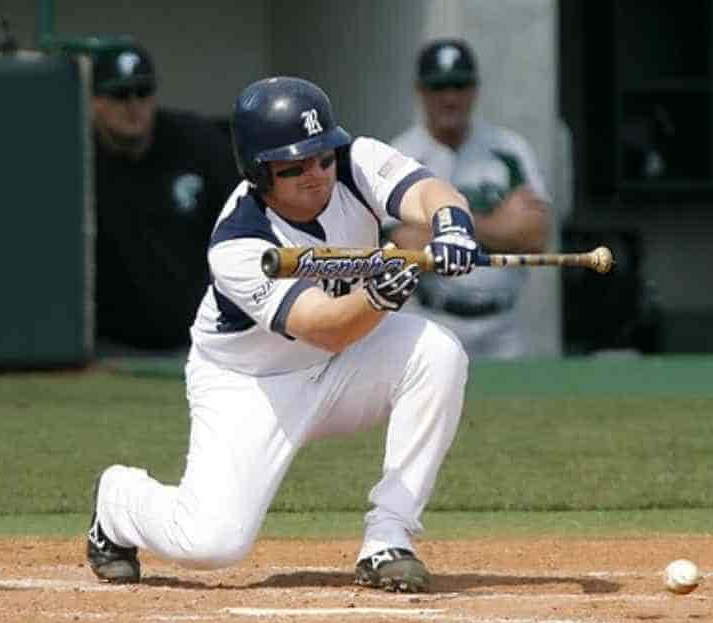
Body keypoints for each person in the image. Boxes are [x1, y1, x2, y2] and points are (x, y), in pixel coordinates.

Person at [85, 76, 479, 593]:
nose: (316, 175)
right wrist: (381, 294)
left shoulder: (355, 161)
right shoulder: (238, 243)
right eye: (293, 166)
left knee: (438, 352)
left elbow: (430, 192)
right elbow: (324, 328)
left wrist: (452, 227)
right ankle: (118, 502)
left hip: (343, 365)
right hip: (249, 385)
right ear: (259, 171)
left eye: (322, 157)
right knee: (212, 544)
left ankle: (389, 537)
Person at [387, 38, 553, 359]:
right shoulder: (401, 156)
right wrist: (498, 225)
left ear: (475, 90)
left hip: (503, 326)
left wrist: (443, 227)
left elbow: (534, 236)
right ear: (420, 92)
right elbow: (407, 247)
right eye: (439, 87)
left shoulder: (507, 149)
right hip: (431, 319)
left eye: (460, 86)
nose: (450, 98)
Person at [88, 39, 239, 352]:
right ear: (94, 102)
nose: (133, 105)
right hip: (108, 346)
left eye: (142, 93)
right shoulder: (78, 159)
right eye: (119, 94)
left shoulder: (199, 144)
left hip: (198, 339)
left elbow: (245, 229)